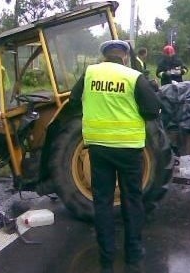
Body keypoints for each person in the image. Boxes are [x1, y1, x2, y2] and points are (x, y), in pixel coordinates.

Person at [70, 40, 160, 273]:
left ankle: (107, 257)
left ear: (104, 56)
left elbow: (73, 101)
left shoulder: (90, 74)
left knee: (102, 202)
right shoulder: (133, 77)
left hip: (99, 148)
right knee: (132, 200)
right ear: (125, 56)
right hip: (129, 149)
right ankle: (133, 254)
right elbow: (152, 111)